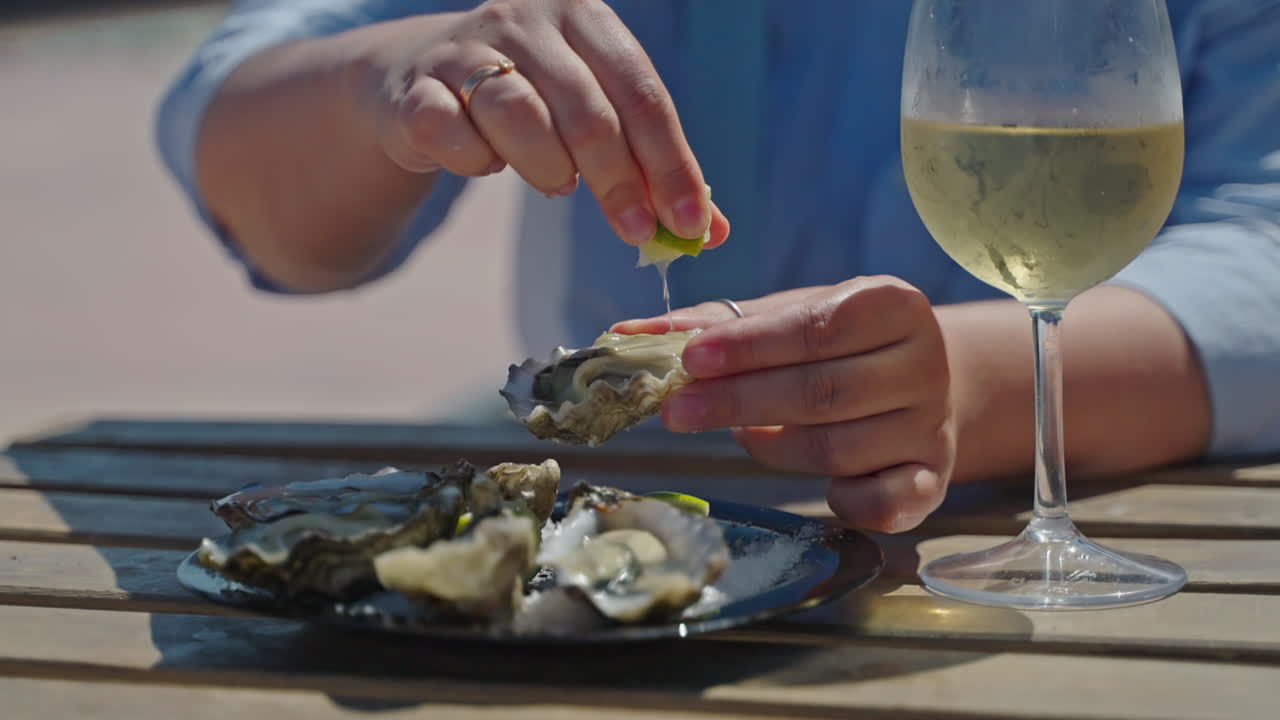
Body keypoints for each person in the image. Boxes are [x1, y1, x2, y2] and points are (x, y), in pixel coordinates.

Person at [156, 0, 1280, 533]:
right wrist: (385, 79)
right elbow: (243, 174)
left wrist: (966, 388)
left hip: (1024, 549)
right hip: (595, 571)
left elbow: (1262, 250)